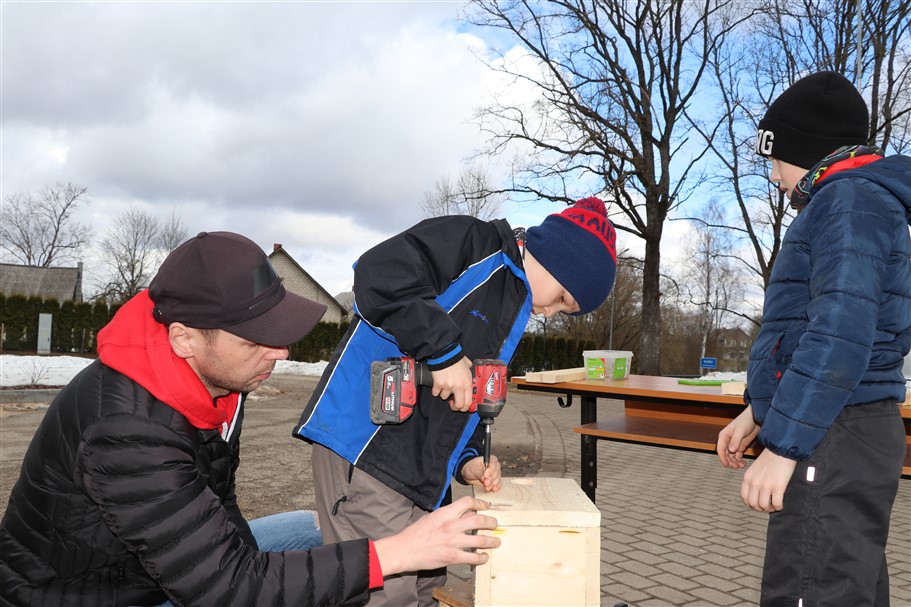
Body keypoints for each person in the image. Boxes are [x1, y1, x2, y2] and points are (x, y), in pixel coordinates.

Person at [0, 231, 502, 607]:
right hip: (85, 595)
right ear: (184, 339)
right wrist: (399, 553)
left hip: (150, 570)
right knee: (352, 560)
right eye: (255, 339)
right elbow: (225, 588)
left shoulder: (218, 382)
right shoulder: (126, 431)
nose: (280, 352)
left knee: (313, 534)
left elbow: (221, 512)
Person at [295, 198, 618, 605]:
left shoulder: (512, 308)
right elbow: (379, 273)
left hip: (423, 472)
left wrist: (468, 458)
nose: (552, 313)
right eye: (563, 299)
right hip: (366, 448)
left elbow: (465, 395)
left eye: (564, 311)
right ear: (556, 259)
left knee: (429, 588)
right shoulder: (473, 243)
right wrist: (443, 352)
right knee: (383, 593)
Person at [717, 71, 911, 606]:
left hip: (833, 430)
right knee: (842, 587)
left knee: (810, 589)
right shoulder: (853, 201)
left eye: (777, 158)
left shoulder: (847, 202)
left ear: (807, 150)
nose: (774, 174)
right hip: (842, 424)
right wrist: (759, 411)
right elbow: (807, 330)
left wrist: (784, 448)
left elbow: (839, 333)